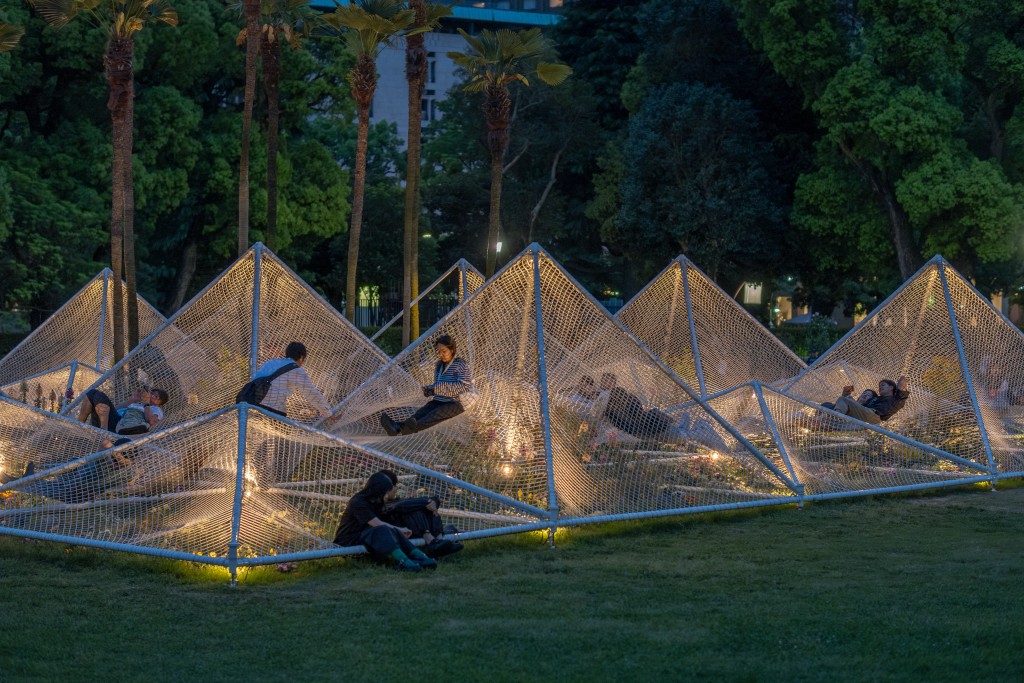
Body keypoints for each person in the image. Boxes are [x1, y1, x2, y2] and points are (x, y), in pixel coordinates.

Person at [332, 470, 438, 572]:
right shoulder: (358, 502)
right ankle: (403, 561)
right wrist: (401, 529)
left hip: (366, 535)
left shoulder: (376, 501)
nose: (387, 494)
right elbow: (376, 524)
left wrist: (398, 530)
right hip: (348, 540)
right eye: (386, 491)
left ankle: (419, 556)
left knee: (392, 530)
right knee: (384, 529)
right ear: (378, 490)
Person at [379, 335, 470, 436]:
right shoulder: (439, 366)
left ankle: (405, 428)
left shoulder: (459, 364)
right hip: (438, 400)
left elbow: (464, 386)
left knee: (433, 415)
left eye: (444, 351)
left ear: (452, 350)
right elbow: (437, 386)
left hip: (455, 403)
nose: (441, 354)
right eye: (438, 351)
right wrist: (429, 390)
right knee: (420, 413)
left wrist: (437, 388)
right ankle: (396, 427)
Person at [0, 437, 133, 504]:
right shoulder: (107, 460)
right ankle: (24, 480)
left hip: (76, 491)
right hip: (73, 479)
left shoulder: (123, 472)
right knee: (71, 466)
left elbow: (105, 444)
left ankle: (14, 482)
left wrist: (120, 461)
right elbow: (105, 444)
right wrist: (118, 459)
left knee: (49, 487)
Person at [253, 341, 332, 419]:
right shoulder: (296, 370)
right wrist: (328, 413)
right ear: (301, 358)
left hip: (252, 404)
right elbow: (311, 393)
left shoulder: (270, 362)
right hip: (273, 410)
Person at [77, 386, 169, 435]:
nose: (152, 396)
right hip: (111, 422)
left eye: (156, 397)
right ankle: (79, 425)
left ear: (160, 404)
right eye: (152, 393)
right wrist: (132, 400)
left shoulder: (156, 409)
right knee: (91, 394)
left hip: (121, 427)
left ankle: (103, 433)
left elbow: (151, 421)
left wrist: (146, 403)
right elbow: (113, 410)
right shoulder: (137, 405)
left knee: (97, 395)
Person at [823, 376, 910, 425]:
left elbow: (901, 389)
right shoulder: (876, 399)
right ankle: (828, 420)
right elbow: (859, 406)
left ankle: (833, 418)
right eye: (879, 386)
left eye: (883, 385)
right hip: (865, 414)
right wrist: (847, 395)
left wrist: (902, 380)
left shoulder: (895, 399)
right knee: (827, 404)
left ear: (891, 387)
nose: (880, 387)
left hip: (875, 416)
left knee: (843, 399)